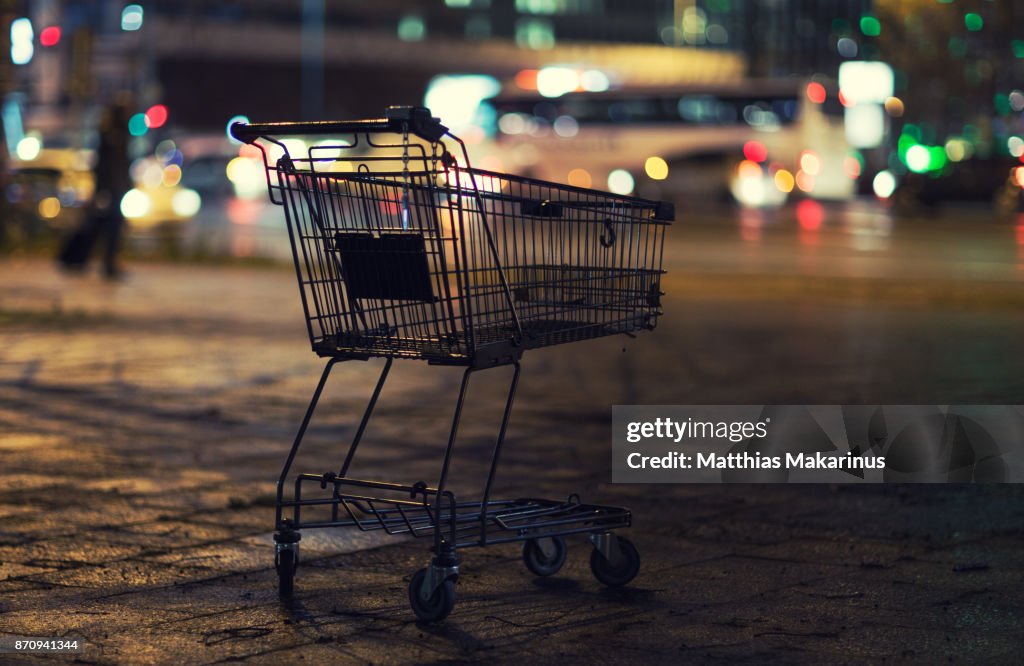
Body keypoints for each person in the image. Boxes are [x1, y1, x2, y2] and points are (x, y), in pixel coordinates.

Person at [57, 95, 133, 279]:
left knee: (106, 226)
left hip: (115, 189)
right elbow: (106, 165)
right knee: (107, 226)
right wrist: (103, 189)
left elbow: (119, 163)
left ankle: (97, 262)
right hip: (111, 190)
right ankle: (98, 263)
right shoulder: (111, 133)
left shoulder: (118, 133)